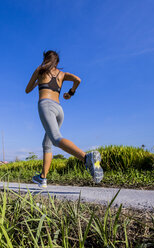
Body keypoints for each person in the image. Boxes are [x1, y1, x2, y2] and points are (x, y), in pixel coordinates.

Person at [25, 50, 103, 188]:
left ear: (45, 59)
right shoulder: (62, 74)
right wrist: (70, 93)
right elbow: (78, 79)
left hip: (46, 105)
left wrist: (38, 81)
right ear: (57, 62)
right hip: (59, 110)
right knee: (47, 143)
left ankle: (86, 158)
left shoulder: (40, 70)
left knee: (55, 138)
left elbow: (27, 89)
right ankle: (43, 177)